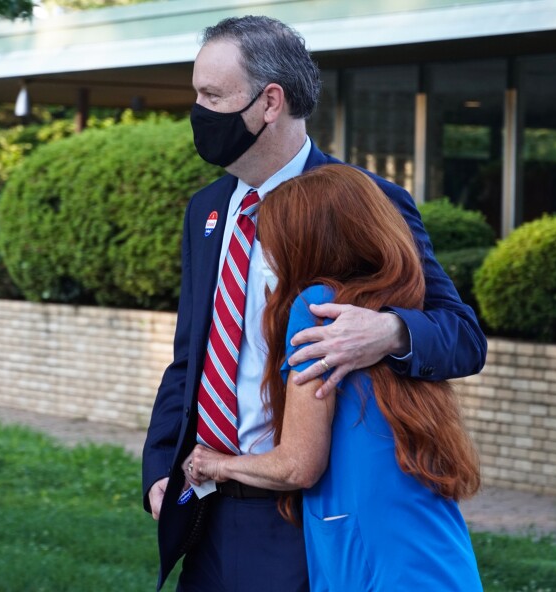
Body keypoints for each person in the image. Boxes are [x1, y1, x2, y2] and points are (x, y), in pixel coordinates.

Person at [142, 15, 487, 591]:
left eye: (211, 96)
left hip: (299, 517)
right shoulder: (206, 208)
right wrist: (159, 469)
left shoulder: (365, 201)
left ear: (269, 101)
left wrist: (389, 332)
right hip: (204, 507)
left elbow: (462, 336)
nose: (197, 111)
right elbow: (190, 356)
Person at [185, 163, 483, 591]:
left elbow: (298, 466)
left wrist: (215, 463)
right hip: (432, 550)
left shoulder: (317, 307)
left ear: (305, 242)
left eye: (273, 236)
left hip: (368, 556)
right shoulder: (394, 303)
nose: (266, 249)